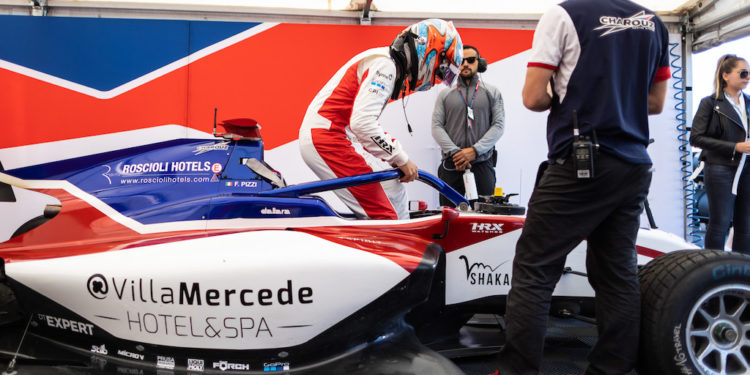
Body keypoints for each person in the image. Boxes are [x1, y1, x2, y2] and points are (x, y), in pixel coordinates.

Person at [494, 1, 670, 374]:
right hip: (633, 163)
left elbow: (532, 97)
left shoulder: (564, 14)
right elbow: (655, 103)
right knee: (617, 274)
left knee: (535, 270)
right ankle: (611, 369)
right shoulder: (654, 23)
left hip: (583, 161)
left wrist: (576, 94)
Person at [299, 19, 463, 219]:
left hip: (333, 136)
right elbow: (363, 123)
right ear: (430, 51)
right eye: (440, 70)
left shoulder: (385, 62)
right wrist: (400, 158)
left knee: (393, 189)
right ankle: (396, 247)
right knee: (386, 216)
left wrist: (397, 159)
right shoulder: (386, 65)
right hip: (328, 138)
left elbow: (360, 124)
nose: (436, 78)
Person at [690, 54, 750, 253]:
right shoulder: (710, 103)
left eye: (749, 73)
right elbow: (696, 138)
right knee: (720, 221)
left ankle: (742, 274)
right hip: (719, 167)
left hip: (746, 168)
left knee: (745, 223)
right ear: (726, 75)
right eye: (743, 73)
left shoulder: (748, 103)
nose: (747, 76)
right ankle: (714, 270)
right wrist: (735, 146)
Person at [432, 45, 505, 206]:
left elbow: (498, 126)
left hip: (482, 163)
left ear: (480, 63)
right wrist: (456, 153)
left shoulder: (492, 92)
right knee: (448, 217)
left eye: (471, 60)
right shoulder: (445, 94)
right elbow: (436, 126)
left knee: (484, 218)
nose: (466, 64)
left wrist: (474, 151)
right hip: (452, 164)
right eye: (461, 60)